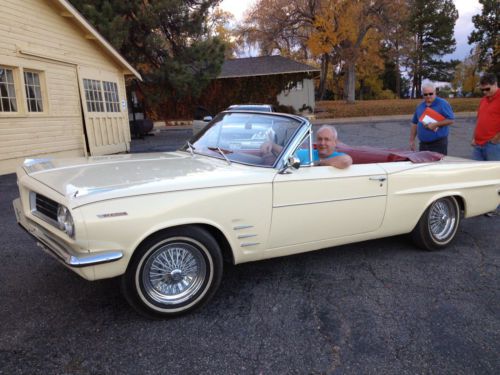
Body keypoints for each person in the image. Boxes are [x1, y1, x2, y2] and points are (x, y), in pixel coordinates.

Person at [261, 125, 352, 169]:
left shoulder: (339, 156)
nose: (322, 143)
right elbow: (287, 153)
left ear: (335, 142)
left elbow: (346, 161)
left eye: (327, 139)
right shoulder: (308, 153)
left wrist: (319, 163)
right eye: (319, 139)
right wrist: (271, 144)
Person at [409, 83, 455, 154]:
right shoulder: (420, 106)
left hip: (438, 144)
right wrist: (412, 140)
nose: (428, 96)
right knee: (424, 165)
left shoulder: (443, 104)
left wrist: (436, 124)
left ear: (435, 92)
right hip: (423, 145)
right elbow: (415, 123)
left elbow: (451, 120)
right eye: (425, 94)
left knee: (438, 165)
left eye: (430, 94)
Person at [471, 73, 500, 161]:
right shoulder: (484, 100)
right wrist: (474, 138)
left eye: (487, 89)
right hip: (478, 144)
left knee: (494, 173)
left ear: (495, 84)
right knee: (477, 172)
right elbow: (479, 120)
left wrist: (497, 137)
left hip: (493, 145)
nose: (485, 92)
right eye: (482, 90)